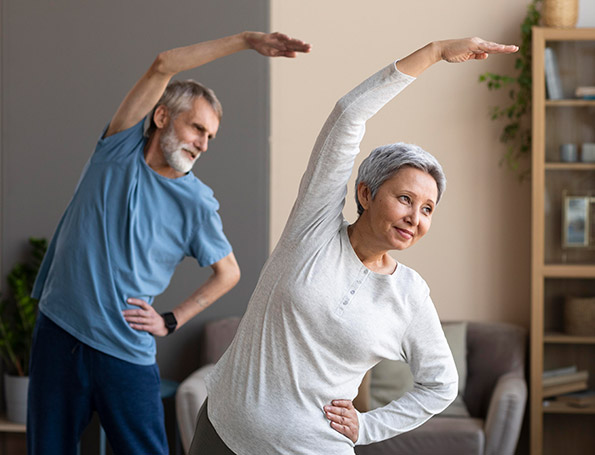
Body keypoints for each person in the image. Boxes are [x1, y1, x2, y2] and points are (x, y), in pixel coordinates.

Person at [188, 37, 518, 454]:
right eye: (404, 199)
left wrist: (368, 426)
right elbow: (348, 114)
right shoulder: (313, 230)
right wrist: (433, 53)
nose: (416, 217)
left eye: (428, 208)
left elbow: (441, 384)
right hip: (221, 435)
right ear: (365, 193)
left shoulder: (409, 294)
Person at [26, 31, 311, 455]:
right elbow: (164, 63)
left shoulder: (197, 203)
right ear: (161, 117)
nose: (203, 143)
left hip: (124, 351)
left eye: (210, 137)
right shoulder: (117, 149)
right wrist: (248, 41)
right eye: (197, 127)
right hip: (59, 333)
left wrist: (171, 319)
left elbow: (229, 272)